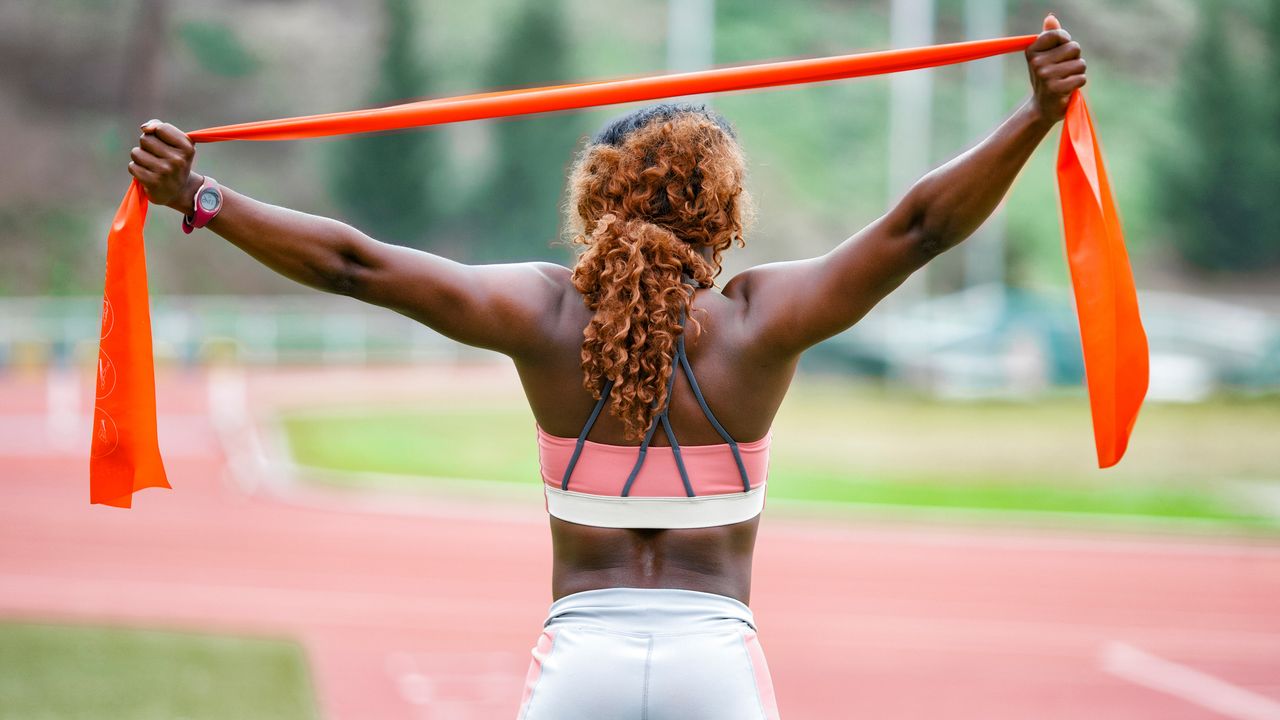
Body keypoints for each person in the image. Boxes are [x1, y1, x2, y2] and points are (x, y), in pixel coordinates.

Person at [127, 15, 1086, 719]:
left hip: (576, 666)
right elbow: (918, 228)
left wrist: (202, 197)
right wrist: (1036, 115)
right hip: (717, 666)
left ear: (597, 198)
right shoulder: (758, 320)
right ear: (721, 207)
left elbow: (354, 266)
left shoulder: (544, 313)